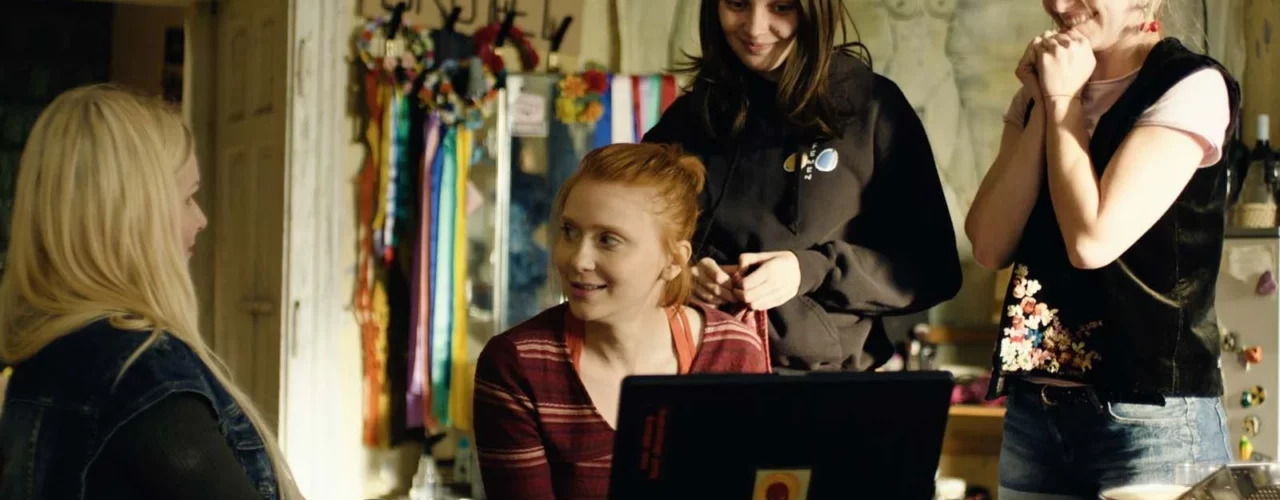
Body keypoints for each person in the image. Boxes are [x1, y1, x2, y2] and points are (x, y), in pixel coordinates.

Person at [965, 0, 1240, 496]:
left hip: (1150, 418)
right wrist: (1045, 104)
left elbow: (1091, 242)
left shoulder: (1189, 85)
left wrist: (1063, 100)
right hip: (1034, 416)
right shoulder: (1040, 94)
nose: (1059, 5)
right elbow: (988, 244)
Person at [0, 85, 303, 499]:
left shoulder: (41, 359)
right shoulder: (141, 372)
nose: (202, 218)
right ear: (135, 215)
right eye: (188, 197)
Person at [643, 0, 962, 372]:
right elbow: (631, 248)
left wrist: (809, 270)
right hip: (698, 374)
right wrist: (683, 274)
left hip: (828, 387)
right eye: (737, 4)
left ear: (816, 11)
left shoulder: (872, 108)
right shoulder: (687, 119)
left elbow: (933, 271)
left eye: (780, 7)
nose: (754, 27)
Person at [472, 143, 770, 500]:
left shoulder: (735, 351)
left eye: (608, 240)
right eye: (569, 231)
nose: (578, 260)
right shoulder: (517, 365)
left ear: (673, 260)